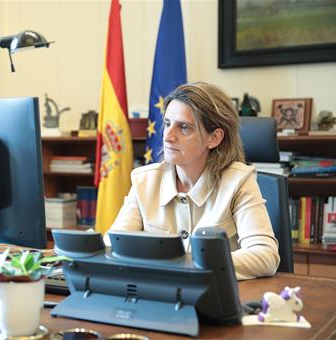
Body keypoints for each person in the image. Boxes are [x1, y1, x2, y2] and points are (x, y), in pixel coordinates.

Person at [110, 82, 280, 280]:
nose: (168, 136)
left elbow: (265, 256)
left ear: (214, 138)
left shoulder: (238, 181)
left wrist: (190, 266)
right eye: (166, 124)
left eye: (183, 127)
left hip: (216, 301)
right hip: (159, 298)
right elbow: (112, 248)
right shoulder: (144, 181)